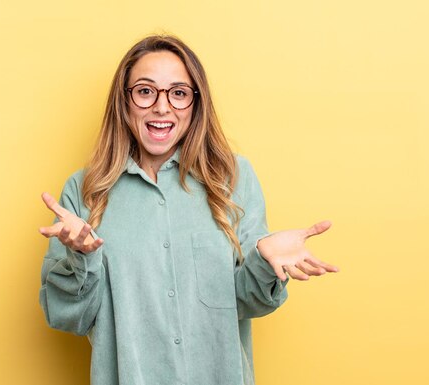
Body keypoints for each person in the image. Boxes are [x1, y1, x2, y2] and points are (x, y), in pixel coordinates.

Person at [38, 34, 338, 385]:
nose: (162, 107)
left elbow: (246, 302)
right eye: (146, 91)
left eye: (178, 93)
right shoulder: (85, 191)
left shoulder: (233, 179)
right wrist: (82, 259)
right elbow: (66, 316)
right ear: (124, 102)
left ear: (195, 104)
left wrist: (263, 263)